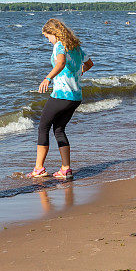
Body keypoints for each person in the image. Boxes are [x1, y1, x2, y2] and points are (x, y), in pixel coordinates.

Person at [27, 19, 93, 179]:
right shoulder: (76, 47)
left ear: (54, 33)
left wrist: (48, 78)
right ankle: (65, 169)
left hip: (62, 95)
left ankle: (39, 169)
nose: (47, 40)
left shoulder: (59, 45)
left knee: (43, 126)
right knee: (59, 129)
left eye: (47, 36)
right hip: (76, 96)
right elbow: (89, 63)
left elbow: (61, 62)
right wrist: (79, 72)